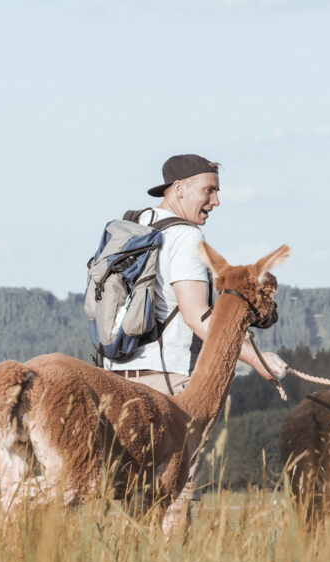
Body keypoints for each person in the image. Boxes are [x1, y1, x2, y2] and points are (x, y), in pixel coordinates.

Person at [106, 153, 288, 395]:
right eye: (209, 190)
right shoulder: (185, 236)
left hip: (114, 377)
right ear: (179, 188)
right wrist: (257, 359)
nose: (216, 201)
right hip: (166, 379)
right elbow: (196, 315)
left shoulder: (135, 226)